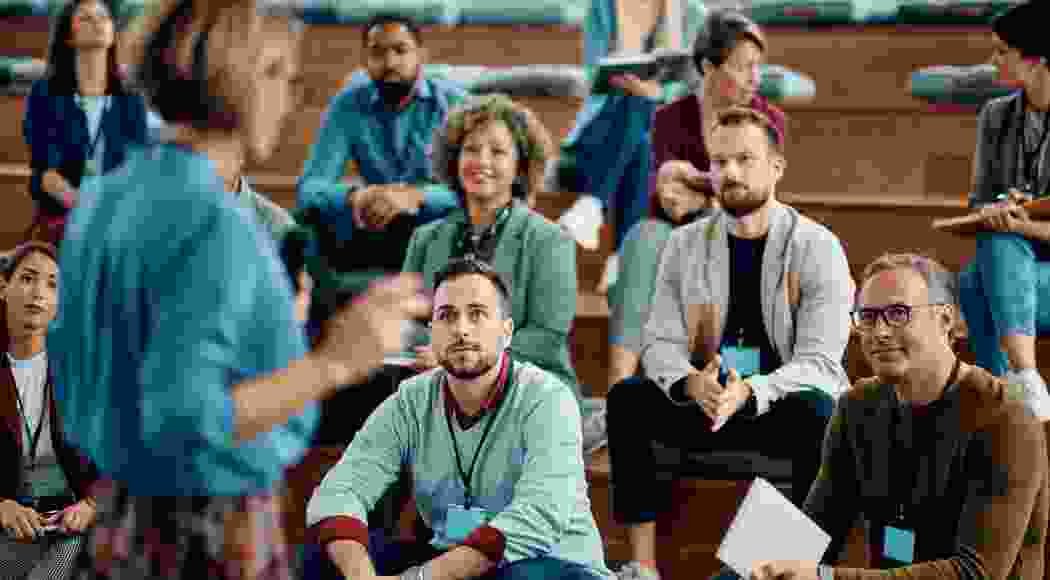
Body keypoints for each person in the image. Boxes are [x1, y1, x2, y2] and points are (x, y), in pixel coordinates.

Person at [47, 0, 430, 576]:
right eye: (280, 74)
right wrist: (336, 361)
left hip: (119, 520)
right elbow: (190, 419)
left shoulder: (104, 198)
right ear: (237, 74)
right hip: (206, 533)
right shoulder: (215, 219)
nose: (289, 98)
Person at [607, 106, 853, 580]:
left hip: (777, 405)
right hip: (709, 403)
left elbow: (821, 363)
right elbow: (659, 342)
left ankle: (772, 570)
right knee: (627, 399)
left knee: (821, 413)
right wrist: (689, 383)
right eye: (720, 162)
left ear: (776, 167)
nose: (731, 173)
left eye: (745, 159)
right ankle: (642, 566)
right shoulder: (684, 243)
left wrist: (752, 391)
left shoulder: (817, 246)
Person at [304, 257, 612, 580]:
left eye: (477, 314)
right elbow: (340, 490)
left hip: (553, 564)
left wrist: (418, 578)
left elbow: (538, 517)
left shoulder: (547, 397)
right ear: (431, 332)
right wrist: (360, 575)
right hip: (453, 564)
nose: (461, 329)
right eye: (447, 316)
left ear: (507, 332)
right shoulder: (411, 400)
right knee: (326, 556)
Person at [747, 252, 1048, 580]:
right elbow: (812, 535)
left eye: (897, 314)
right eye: (868, 317)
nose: (879, 332)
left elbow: (976, 574)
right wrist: (763, 566)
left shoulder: (1006, 418)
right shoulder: (857, 407)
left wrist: (826, 577)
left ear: (945, 320)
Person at [559, 8, 779, 294]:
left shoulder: (691, 13)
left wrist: (658, 95)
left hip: (649, 125)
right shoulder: (602, 8)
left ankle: (593, 207)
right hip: (603, 128)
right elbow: (592, 77)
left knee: (642, 138)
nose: (753, 77)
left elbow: (696, 82)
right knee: (634, 105)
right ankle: (619, 253)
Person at [403, 93, 579, 400]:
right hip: (441, 391)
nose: (482, 161)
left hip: (528, 391)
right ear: (454, 160)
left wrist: (460, 357)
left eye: (497, 151)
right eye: (471, 149)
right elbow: (408, 321)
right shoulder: (425, 238)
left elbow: (546, 337)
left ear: (520, 166)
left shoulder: (550, 240)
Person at [296, 13, 464, 279]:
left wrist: (416, 196)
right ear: (364, 61)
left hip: (437, 230)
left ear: (421, 56)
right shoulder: (348, 104)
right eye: (377, 53)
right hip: (374, 222)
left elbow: (479, 190)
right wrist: (356, 197)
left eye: (400, 50)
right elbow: (310, 188)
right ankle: (320, 301)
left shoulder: (455, 105)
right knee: (307, 221)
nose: (389, 63)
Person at [957, 0, 1050, 421]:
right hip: (1014, 265)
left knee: (977, 280)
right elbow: (979, 200)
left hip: (1034, 264)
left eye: (1002, 51)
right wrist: (999, 209)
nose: (993, 61)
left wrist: (1024, 226)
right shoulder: (995, 116)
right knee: (989, 256)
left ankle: (1004, 393)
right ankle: (1023, 380)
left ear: (1036, 59)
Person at [0, 242, 100, 580]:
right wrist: (1, 506)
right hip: (17, 526)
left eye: (52, 284)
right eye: (28, 278)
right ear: (3, 287)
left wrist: (92, 505)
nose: (38, 293)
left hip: (75, 524)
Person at [22, 0, 149, 245]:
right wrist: (85, 208)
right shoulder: (46, 94)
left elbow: (137, 168)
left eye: (103, 17)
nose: (98, 23)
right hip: (64, 219)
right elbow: (47, 175)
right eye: (86, 18)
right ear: (69, 37)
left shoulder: (130, 97)